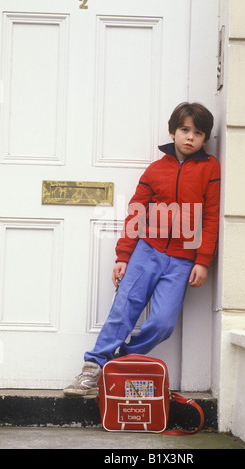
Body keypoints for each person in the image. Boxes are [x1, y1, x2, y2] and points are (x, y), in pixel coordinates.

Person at [63, 102, 220, 397]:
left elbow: (211, 216)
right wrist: (124, 256)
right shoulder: (155, 169)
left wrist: (203, 260)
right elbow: (136, 212)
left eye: (198, 133)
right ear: (173, 132)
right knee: (124, 309)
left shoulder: (210, 168)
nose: (190, 137)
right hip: (146, 251)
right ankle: (93, 367)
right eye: (185, 130)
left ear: (205, 139)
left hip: (183, 257)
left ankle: (119, 361)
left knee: (162, 323)